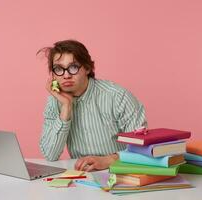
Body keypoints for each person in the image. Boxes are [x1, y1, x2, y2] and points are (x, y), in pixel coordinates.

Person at [38, 40, 147, 172]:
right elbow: (50, 154)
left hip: (120, 171)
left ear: (88, 68)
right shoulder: (55, 100)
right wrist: (66, 107)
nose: (66, 75)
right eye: (59, 69)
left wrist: (108, 160)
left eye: (73, 67)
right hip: (82, 176)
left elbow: (142, 148)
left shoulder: (117, 96)